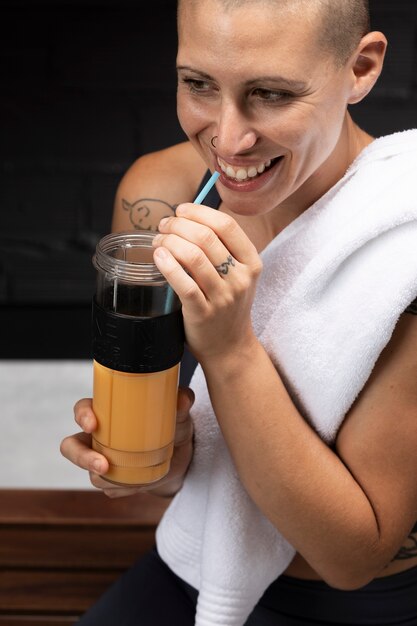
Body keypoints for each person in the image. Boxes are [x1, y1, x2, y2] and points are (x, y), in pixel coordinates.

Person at [60, 0, 417, 624]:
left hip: (363, 604)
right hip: (194, 564)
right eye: (198, 84)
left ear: (360, 68)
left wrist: (230, 351)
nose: (227, 140)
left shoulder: (401, 239)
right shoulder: (159, 196)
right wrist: (154, 463)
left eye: (272, 94)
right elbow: (175, 461)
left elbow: (351, 557)